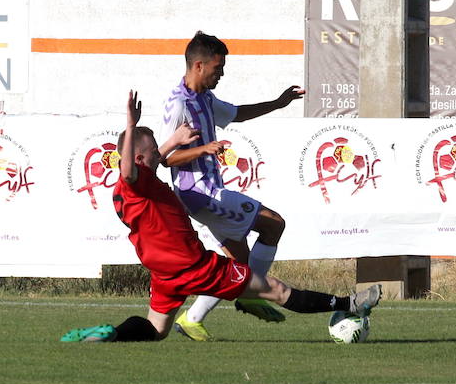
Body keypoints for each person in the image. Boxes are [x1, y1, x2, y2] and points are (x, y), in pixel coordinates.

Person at [60, 91, 381, 343]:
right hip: (194, 266)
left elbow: (149, 161)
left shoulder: (129, 189)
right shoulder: (135, 180)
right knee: (277, 291)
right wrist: (130, 125)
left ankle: (113, 334)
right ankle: (349, 304)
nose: (161, 153)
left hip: (164, 274)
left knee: (155, 329)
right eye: (155, 150)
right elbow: (130, 168)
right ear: (140, 158)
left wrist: (172, 141)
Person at [157, 31, 304, 341]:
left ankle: (192, 318)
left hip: (207, 192)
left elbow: (237, 113)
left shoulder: (204, 98)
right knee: (274, 224)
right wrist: (203, 149)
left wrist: (279, 103)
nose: (221, 74)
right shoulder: (178, 105)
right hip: (201, 194)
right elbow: (166, 158)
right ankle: (250, 296)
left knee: (240, 265)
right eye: (217, 68)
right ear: (198, 65)